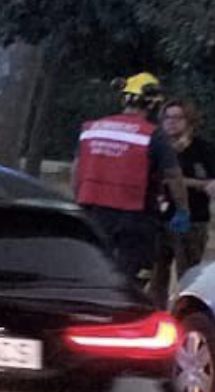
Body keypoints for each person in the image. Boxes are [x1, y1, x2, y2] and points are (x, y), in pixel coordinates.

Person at [72, 72, 186, 295]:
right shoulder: (153, 135)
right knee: (132, 281)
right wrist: (182, 209)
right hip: (135, 217)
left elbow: (77, 167)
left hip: (92, 212)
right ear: (153, 105)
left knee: (92, 269)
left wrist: (78, 198)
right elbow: (173, 176)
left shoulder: (91, 129)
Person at [164, 98, 210, 285]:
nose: (171, 122)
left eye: (178, 117)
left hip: (194, 220)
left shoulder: (205, 149)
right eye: (167, 117)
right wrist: (198, 184)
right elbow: (161, 178)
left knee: (189, 276)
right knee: (156, 274)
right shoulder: (157, 146)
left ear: (190, 121)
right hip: (160, 219)